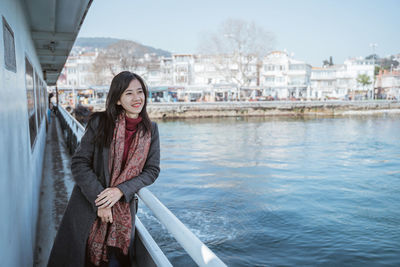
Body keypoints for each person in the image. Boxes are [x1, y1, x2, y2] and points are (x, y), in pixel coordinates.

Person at [48, 71, 160, 267]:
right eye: (128, 93)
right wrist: (101, 201)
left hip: (122, 216)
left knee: (115, 261)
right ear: (117, 99)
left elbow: (151, 171)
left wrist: (120, 191)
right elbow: (80, 162)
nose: (137, 98)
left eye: (140, 91)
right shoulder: (100, 123)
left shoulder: (151, 130)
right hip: (88, 208)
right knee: (84, 259)